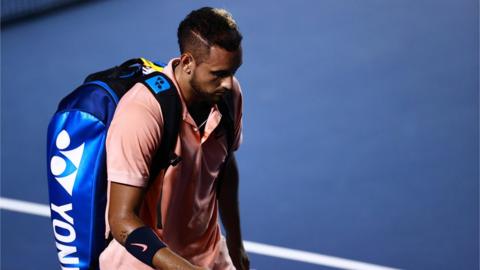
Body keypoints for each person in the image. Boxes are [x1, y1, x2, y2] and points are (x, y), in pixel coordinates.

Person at [98, 7, 250, 270]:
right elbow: (121, 221)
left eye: (233, 72)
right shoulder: (142, 112)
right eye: (218, 74)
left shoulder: (229, 97)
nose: (228, 83)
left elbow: (224, 167)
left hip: (209, 257)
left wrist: (235, 244)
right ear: (188, 62)